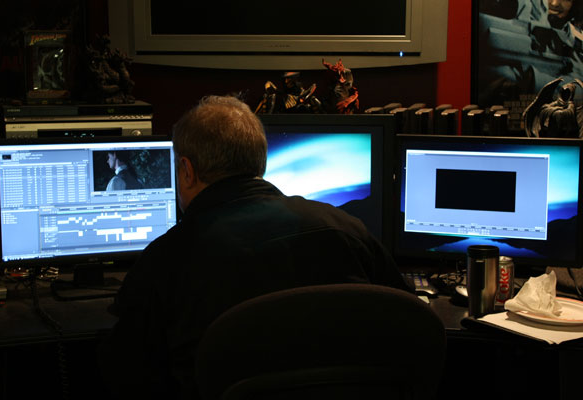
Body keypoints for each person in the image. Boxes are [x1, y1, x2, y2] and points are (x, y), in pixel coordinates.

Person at [97, 95, 412, 399]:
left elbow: (127, 373)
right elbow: (404, 317)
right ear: (259, 162)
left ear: (187, 170)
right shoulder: (346, 230)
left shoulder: (166, 259)